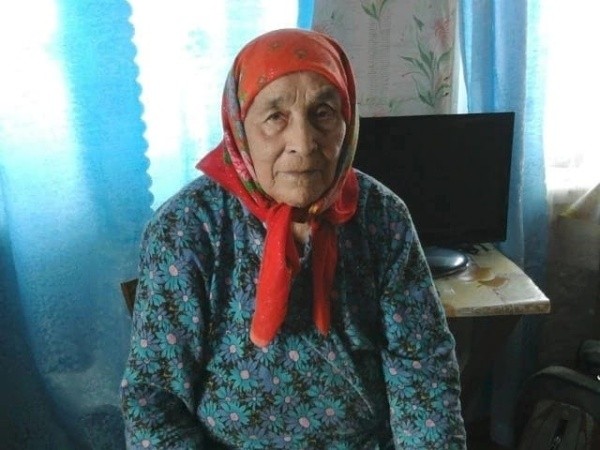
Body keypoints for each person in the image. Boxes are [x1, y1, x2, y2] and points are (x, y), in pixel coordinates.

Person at [120, 28, 466, 449]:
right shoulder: (187, 228)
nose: (303, 143)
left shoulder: (381, 216)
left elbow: (422, 368)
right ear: (239, 127)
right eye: (275, 117)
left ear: (347, 122)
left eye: (323, 112)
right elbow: (154, 399)